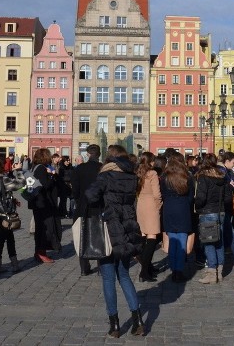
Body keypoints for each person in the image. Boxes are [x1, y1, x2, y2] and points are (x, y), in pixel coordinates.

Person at [85, 145, 145, 337]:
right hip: (127, 228)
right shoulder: (131, 176)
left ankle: (115, 325)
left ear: (110, 158)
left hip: (110, 229)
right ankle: (137, 320)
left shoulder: (105, 175)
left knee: (109, 278)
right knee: (125, 275)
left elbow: (90, 196)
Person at [194, 153, 233, 284]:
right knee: (219, 241)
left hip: (207, 212)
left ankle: (211, 272)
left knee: (209, 242)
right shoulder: (223, 176)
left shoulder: (203, 177)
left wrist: (197, 207)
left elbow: (201, 197)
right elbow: (228, 198)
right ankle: (219, 271)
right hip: (221, 211)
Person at [160, 154, 194, 283]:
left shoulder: (164, 177)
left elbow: (162, 194)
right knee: (182, 241)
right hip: (183, 208)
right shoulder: (187, 177)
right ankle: (179, 271)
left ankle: (173, 269)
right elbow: (191, 197)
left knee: (173, 240)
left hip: (169, 208)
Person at [72, 144, 104, 276]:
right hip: (99, 206)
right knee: (99, 235)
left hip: (83, 206)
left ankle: (84, 267)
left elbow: (75, 190)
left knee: (82, 235)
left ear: (88, 154)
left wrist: (79, 199)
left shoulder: (80, 168)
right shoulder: (102, 169)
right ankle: (101, 266)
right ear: (99, 154)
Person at [0, 155, 23, 273]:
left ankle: (5, 264)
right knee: (5, 238)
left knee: (6, 237)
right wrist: (18, 171)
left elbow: (1, 194)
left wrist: (12, 199)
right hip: (5, 213)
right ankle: (5, 265)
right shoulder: (3, 179)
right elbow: (20, 184)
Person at [28, 148, 60, 263]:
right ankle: (41, 252)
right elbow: (45, 185)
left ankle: (39, 252)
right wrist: (51, 176)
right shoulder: (41, 168)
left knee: (40, 228)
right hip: (42, 203)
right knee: (44, 228)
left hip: (36, 202)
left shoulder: (34, 166)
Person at [135, 151, 162, 282]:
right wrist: (159, 205)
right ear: (151, 161)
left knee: (144, 236)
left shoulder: (138, 172)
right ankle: (144, 272)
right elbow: (157, 194)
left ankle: (147, 268)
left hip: (141, 204)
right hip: (151, 205)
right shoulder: (152, 173)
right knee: (152, 237)